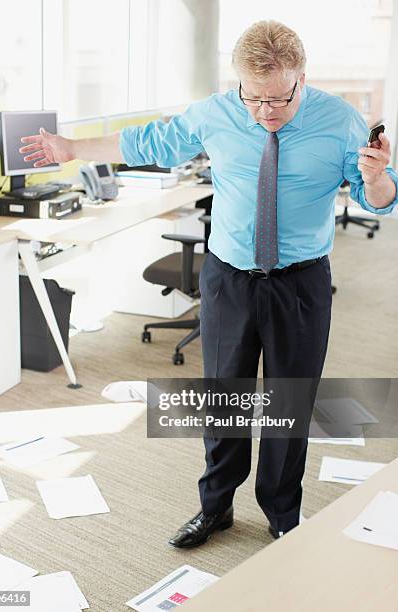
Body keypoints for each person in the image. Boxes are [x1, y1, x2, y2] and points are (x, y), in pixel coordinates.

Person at [20, 20, 398, 547]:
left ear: (302, 78)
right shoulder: (215, 112)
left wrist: (379, 178)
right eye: (253, 98)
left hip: (301, 282)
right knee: (224, 397)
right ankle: (215, 507)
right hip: (229, 279)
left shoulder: (342, 122)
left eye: (279, 99)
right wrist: (72, 148)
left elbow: (376, 197)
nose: (265, 111)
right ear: (238, 83)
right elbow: (147, 139)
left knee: (289, 403)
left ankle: (283, 513)